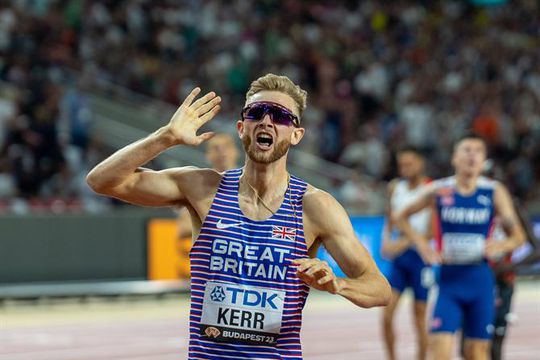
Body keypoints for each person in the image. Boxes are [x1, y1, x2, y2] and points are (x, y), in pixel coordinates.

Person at [86, 73, 391, 359]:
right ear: (241, 127)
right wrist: (165, 137)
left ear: (296, 134)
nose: (267, 121)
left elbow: (379, 288)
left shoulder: (314, 206)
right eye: (256, 112)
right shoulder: (202, 187)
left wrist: (336, 285)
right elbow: (102, 181)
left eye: (281, 116)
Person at [395, 133, 525, 360]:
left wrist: (501, 245)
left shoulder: (493, 191)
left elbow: (519, 237)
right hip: (448, 282)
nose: (472, 155)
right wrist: (422, 245)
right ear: (454, 157)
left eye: (478, 151)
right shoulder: (440, 190)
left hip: (481, 282)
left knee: (477, 353)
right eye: (467, 150)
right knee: (440, 352)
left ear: (484, 159)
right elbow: (401, 216)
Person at [381, 146, 432, 360]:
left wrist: (403, 242)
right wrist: (386, 241)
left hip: (420, 258)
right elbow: (390, 219)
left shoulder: (431, 189)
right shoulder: (395, 187)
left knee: (419, 317)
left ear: (420, 164)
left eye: (409, 164)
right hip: (400, 261)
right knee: (386, 314)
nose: (405, 169)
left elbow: (431, 231)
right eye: (402, 164)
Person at [175, 134, 239, 279]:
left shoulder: (252, 184)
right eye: (216, 149)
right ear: (208, 155)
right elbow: (182, 230)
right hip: (213, 269)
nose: (222, 152)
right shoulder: (198, 188)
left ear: (235, 152)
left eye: (226, 147)